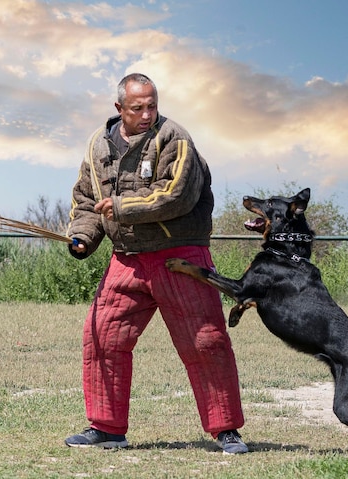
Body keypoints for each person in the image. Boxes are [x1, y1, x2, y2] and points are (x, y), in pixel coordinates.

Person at [63, 73, 248, 454]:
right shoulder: (98, 145)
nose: (147, 114)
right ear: (120, 109)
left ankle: (226, 429)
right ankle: (107, 428)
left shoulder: (175, 138)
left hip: (179, 255)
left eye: (152, 105)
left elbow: (176, 195)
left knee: (205, 341)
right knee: (102, 336)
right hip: (127, 257)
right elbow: (88, 198)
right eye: (137, 108)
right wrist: (83, 237)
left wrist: (120, 207)